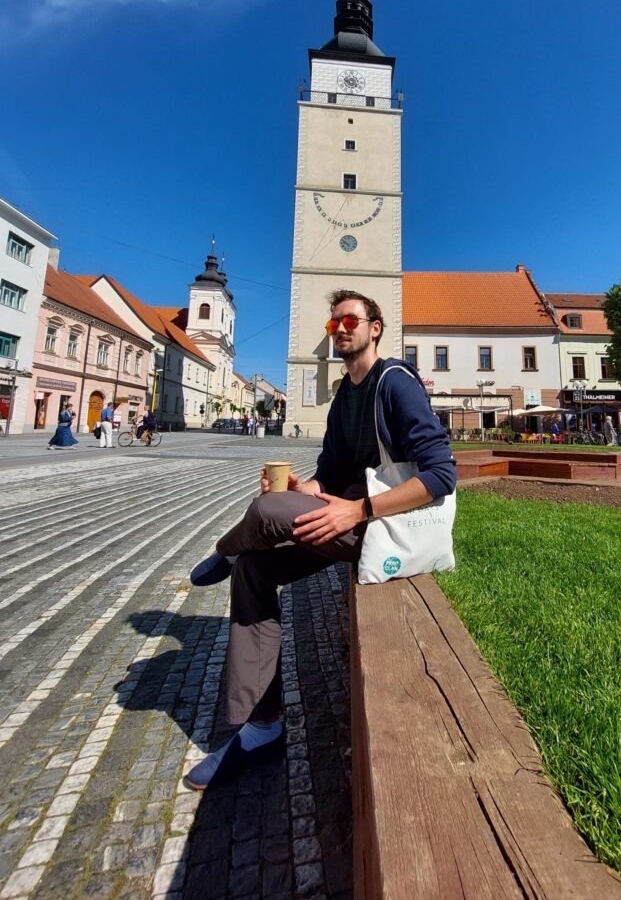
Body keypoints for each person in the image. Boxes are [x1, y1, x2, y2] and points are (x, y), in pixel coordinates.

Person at [183, 289, 456, 791]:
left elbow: (442, 475)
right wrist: (306, 489)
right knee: (255, 570)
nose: (341, 329)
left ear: (375, 327)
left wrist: (359, 509)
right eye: (333, 325)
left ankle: (227, 547)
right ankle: (262, 727)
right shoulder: (343, 398)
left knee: (265, 513)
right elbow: (326, 477)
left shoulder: (395, 384)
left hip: (377, 526)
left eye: (350, 320)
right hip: (341, 520)